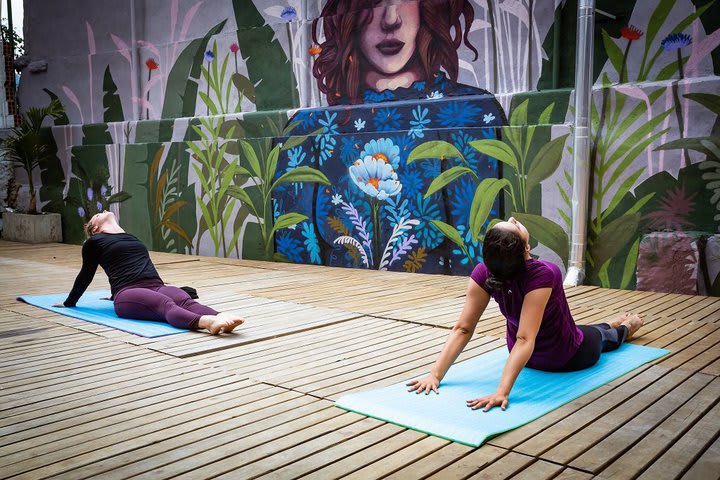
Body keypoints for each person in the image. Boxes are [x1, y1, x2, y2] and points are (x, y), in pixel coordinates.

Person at [274, 0, 506, 273]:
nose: (391, 19)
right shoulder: (307, 130)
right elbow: (296, 265)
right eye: (373, 2)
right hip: (337, 304)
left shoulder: (469, 112)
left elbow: (477, 260)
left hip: (434, 308)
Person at [407, 217, 644, 411]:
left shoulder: (483, 272)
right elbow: (526, 338)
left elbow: (463, 328)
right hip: (567, 357)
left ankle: (607, 323)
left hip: (522, 354)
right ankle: (625, 328)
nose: (513, 219)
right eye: (514, 226)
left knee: (583, 328)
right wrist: (501, 393)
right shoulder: (545, 273)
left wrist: (435, 375)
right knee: (597, 337)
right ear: (526, 249)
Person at [53, 211, 245, 335]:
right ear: (95, 228)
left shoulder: (130, 237)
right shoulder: (94, 242)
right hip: (128, 292)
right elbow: (86, 274)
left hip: (156, 285)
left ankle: (222, 316)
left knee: (185, 299)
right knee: (165, 304)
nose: (102, 211)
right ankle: (207, 323)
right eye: (97, 214)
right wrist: (70, 302)